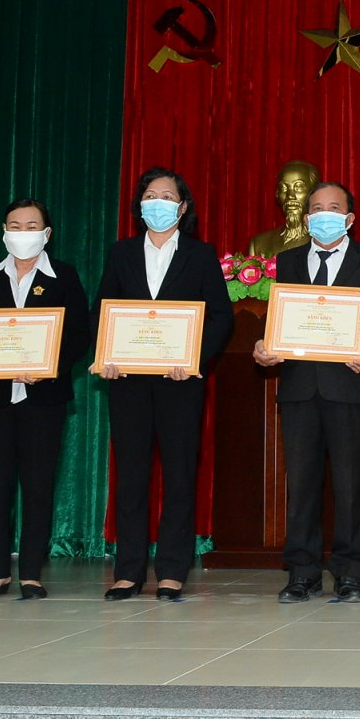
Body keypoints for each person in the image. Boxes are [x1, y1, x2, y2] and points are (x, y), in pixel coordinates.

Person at [255, 181, 360, 603]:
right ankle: (301, 572)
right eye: (317, 208)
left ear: (349, 218)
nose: (324, 214)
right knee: (301, 485)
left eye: (333, 208)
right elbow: (279, 318)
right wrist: (265, 345)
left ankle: (349, 571)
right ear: (306, 219)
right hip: (300, 388)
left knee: (349, 485)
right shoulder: (288, 261)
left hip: (351, 386)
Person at [93, 168, 234, 601]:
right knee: (131, 477)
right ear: (139, 206)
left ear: (183, 206)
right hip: (129, 382)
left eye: (167, 196)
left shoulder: (201, 255)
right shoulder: (121, 253)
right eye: (150, 196)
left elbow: (220, 317)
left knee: (179, 475)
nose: (158, 203)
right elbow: (104, 311)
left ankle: (172, 570)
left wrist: (193, 359)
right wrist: (107, 357)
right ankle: (128, 571)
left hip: (180, 382)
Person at [0, 198, 94, 600]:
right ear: (4, 232)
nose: (23, 233)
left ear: (47, 233)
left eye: (32, 226)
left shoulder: (64, 276)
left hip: (44, 397)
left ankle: (32, 573)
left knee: (38, 485)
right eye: (15, 226)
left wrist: (50, 367)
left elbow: (80, 335)